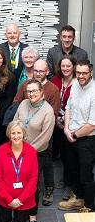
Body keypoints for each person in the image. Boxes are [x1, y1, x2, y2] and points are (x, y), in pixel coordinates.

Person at [14, 79, 55, 222]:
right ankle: (19, 211)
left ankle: (32, 218)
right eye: (28, 91)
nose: (31, 94)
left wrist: (27, 152)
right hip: (18, 151)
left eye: (34, 91)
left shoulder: (48, 110)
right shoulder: (23, 104)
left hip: (36, 155)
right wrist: (16, 145)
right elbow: (15, 124)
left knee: (32, 187)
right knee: (18, 183)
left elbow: (45, 137)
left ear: (41, 92)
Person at [0, 120, 38, 222]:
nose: (16, 136)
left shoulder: (31, 151)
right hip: (3, 199)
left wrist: (20, 199)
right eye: (13, 133)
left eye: (19, 133)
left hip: (24, 201)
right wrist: (9, 199)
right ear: (9, 134)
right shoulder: (2, 150)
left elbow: (34, 178)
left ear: (23, 134)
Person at [58, 59, 95, 213]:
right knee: (73, 170)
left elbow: (93, 124)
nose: (81, 76)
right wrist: (66, 129)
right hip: (71, 135)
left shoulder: (94, 92)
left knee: (85, 174)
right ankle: (78, 198)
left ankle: (89, 206)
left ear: (91, 73)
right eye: (78, 72)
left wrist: (74, 134)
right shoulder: (74, 86)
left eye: (84, 73)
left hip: (87, 139)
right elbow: (68, 109)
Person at [51, 55, 76, 198]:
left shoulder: (78, 82)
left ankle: (70, 184)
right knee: (61, 153)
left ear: (73, 66)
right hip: (56, 124)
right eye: (63, 66)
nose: (65, 68)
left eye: (68, 66)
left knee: (69, 155)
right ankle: (66, 179)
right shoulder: (55, 80)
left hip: (71, 124)